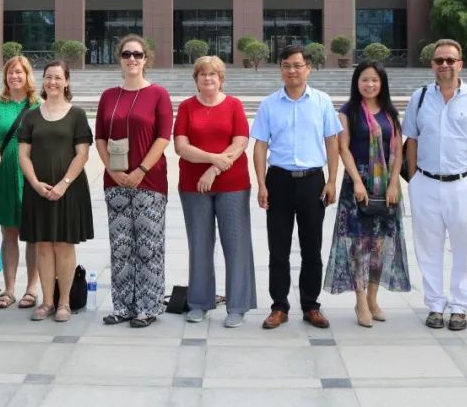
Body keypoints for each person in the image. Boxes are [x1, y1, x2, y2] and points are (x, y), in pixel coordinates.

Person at [403, 38, 467, 332]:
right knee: (427, 248)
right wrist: (413, 178)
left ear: (460, 63)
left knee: (463, 246)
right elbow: (412, 139)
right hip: (426, 183)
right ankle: (435, 304)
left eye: (450, 60)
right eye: (438, 60)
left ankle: (459, 306)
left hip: (463, 184)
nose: (444, 65)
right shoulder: (419, 97)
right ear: (432, 64)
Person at [251, 43, 342, 330]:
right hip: (278, 181)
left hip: (313, 181)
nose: (292, 70)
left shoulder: (322, 102)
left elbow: (332, 141)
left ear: (308, 68)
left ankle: (311, 305)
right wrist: (261, 183)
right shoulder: (269, 104)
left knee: (311, 248)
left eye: (297, 65)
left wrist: (331, 180)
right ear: (280, 70)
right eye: (286, 65)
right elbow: (260, 146)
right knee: (277, 248)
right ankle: (279, 306)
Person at [323, 61, 411, 327]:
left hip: (386, 186)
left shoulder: (390, 113)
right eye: (364, 80)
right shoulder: (348, 112)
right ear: (356, 82)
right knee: (358, 246)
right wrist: (357, 181)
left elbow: (397, 151)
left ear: (382, 83)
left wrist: (394, 182)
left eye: (374, 80)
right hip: (357, 186)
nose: (369, 84)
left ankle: (374, 299)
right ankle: (360, 302)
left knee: (380, 245)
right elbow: (344, 148)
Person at [95, 34, 173, 328]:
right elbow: (100, 137)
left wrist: (141, 169)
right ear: (120, 58)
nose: (132, 59)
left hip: (149, 180)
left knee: (148, 245)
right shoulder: (108, 96)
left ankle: (148, 307)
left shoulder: (158, 95)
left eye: (137, 55)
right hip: (115, 181)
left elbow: (163, 137)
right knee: (121, 245)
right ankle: (123, 305)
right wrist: (112, 170)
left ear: (145, 59)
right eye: (127, 54)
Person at [174, 56, 255, 328]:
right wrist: (213, 158)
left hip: (232, 185)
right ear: (196, 78)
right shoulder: (186, 107)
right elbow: (181, 147)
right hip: (193, 187)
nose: (208, 78)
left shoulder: (233, 105)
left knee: (236, 246)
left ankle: (238, 306)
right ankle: (199, 302)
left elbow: (240, 142)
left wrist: (213, 169)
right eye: (203, 74)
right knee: (199, 244)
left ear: (221, 78)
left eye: (213, 74)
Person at [17, 60, 94, 322]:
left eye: (58, 77)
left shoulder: (77, 115)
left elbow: (82, 154)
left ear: (67, 81)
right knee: (42, 245)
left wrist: (63, 184)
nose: (52, 82)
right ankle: (47, 301)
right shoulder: (31, 116)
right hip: (37, 189)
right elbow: (23, 155)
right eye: (48, 77)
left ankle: (64, 302)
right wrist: (36, 183)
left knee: (63, 244)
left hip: (69, 190)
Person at [0, 55, 42, 310]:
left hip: (32, 176)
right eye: (10, 72)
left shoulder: (40, 105)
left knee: (34, 235)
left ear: (28, 75)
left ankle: (32, 288)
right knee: (9, 233)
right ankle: (8, 288)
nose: (15, 76)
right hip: (4, 177)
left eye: (19, 72)